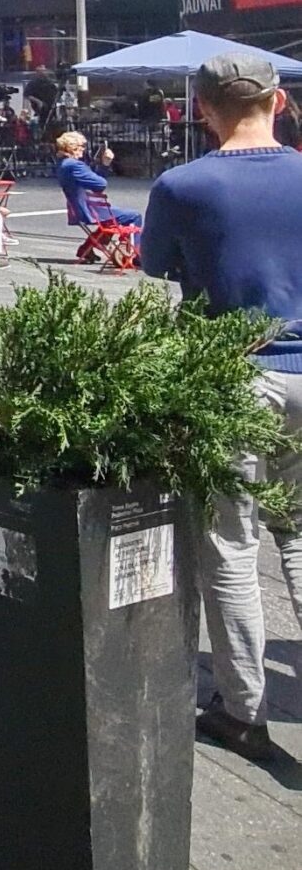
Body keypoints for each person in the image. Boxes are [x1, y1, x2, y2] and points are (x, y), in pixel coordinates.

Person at [140, 49, 302, 763]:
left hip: (233, 376)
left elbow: (153, 264)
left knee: (230, 547)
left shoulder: (183, 185)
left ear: (201, 110)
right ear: (281, 102)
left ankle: (242, 711)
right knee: (297, 534)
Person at [53, 127, 139, 233]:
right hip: (90, 210)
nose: (83, 149)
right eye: (82, 146)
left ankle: (87, 249)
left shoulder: (63, 164)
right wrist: (104, 165)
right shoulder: (74, 165)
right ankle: (135, 246)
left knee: (110, 222)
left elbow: (93, 183)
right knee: (134, 216)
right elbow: (100, 185)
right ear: (72, 147)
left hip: (79, 210)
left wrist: (103, 165)